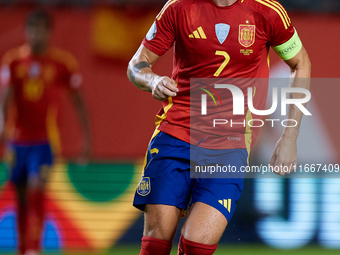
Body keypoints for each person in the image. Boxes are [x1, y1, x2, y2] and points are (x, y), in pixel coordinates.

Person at [127, 0, 311, 254]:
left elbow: (301, 63)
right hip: (175, 134)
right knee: (156, 244)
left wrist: (290, 135)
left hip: (230, 144)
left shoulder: (267, 11)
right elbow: (137, 63)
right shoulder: (179, 7)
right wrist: (153, 79)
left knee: (197, 247)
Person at [0, 10, 91, 255]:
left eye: (42, 29)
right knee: (20, 197)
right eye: (33, 29)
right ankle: (22, 248)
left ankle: (34, 249)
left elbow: (79, 102)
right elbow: (5, 99)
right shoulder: (13, 61)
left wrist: (85, 139)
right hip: (17, 142)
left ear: (50, 33)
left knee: (35, 187)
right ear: (26, 31)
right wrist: (2, 128)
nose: (37, 34)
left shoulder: (62, 63)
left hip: (44, 142)